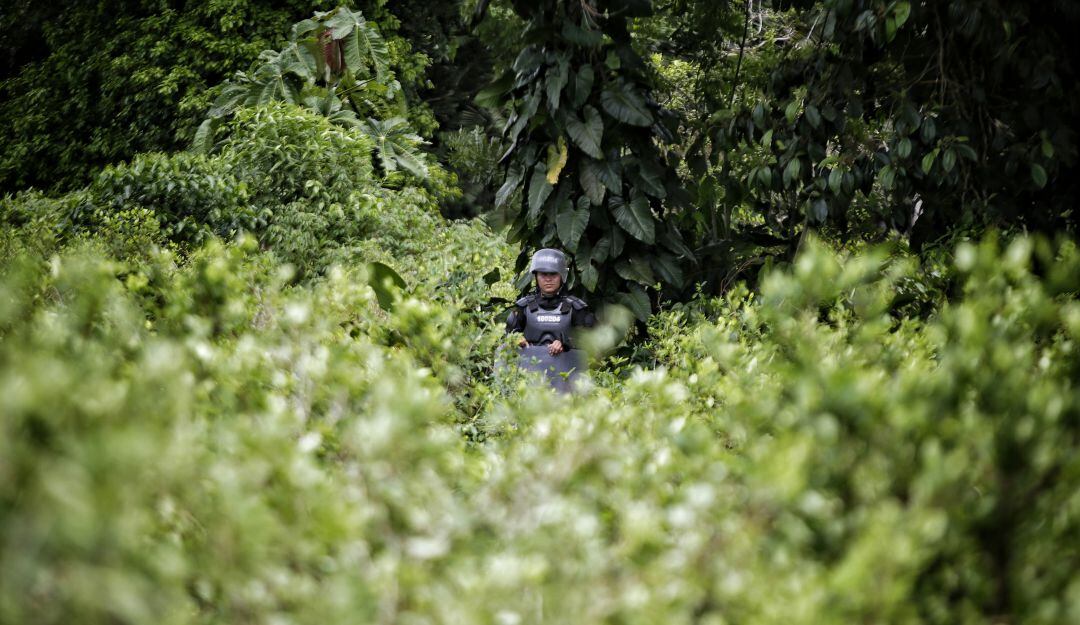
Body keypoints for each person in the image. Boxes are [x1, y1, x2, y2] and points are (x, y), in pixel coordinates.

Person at [505, 249, 595, 390]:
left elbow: (589, 342)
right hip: (529, 381)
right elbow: (507, 338)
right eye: (543, 274)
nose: (548, 279)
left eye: (553, 274)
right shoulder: (523, 307)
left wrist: (565, 344)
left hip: (566, 382)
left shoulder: (576, 308)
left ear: (561, 276)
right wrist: (516, 339)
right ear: (536, 276)